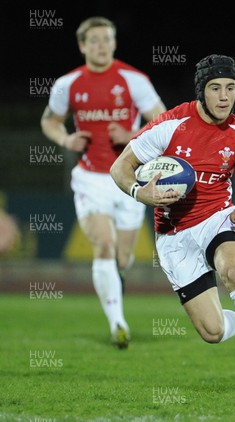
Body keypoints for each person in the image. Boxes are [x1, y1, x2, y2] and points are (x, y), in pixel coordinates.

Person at [109, 54, 235, 397]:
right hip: (173, 235)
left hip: (217, 218)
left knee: (234, 272)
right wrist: (138, 193)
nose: (224, 96)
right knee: (213, 331)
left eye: (231, 88)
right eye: (215, 88)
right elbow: (120, 167)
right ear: (201, 91)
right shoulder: (170, 124)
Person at [40, 17, 166, 349]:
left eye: (106, 39)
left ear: (114, 43)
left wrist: (132, 136)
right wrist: (66, 140)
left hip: (127, 178)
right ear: (82, 45)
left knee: (123, 258)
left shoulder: (133, 80)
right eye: (93, 40)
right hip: (89, 179)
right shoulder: (68, 84)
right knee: (104, 245)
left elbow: (163, 121)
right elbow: (50, 121)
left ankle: (115, 289)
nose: (100, 45)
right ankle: (118, 324)